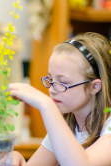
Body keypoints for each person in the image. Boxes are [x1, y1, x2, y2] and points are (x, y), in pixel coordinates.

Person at [9, 32, 111, 166]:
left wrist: (46, 105)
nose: (51, 89)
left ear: (94, 86)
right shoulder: (68, 124)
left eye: (62, 83)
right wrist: (16, 157)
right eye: (50, 79)